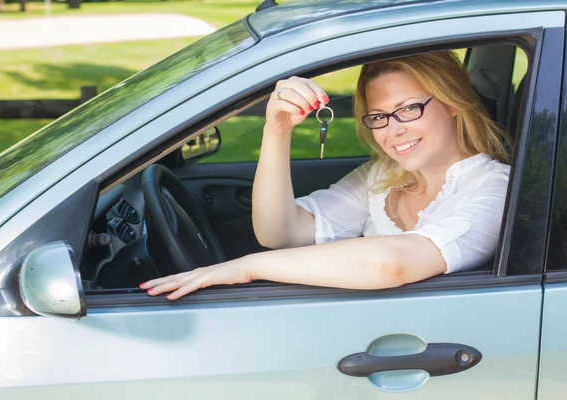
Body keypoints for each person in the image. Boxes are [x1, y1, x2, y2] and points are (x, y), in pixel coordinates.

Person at [140, 50, 511, 300]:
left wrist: (247, 268)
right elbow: (279, 233)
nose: (392, 130)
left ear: (452, 104)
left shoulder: (496, 187)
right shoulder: (383, 176)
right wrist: (277, 131)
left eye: (408, 109)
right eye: (379, 116)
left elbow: (394, 262)